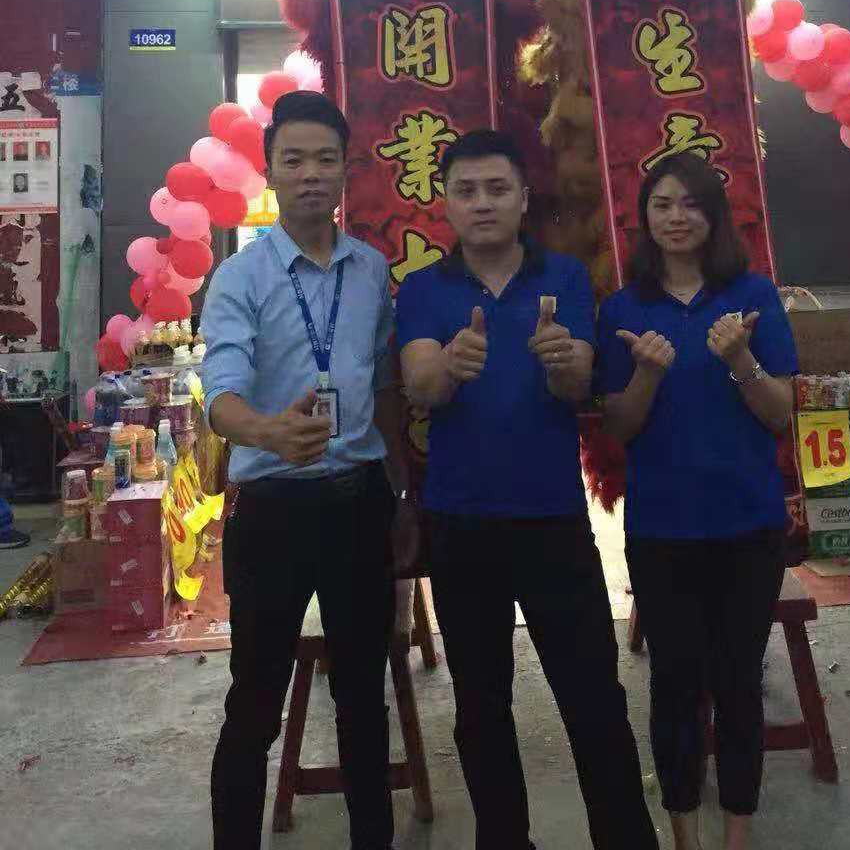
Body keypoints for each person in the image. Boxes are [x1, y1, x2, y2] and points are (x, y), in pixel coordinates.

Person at [397, 129, 658, 850]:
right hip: (460, 525)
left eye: (497, 188)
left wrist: (567, 362)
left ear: (522, 198)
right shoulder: (423, 289)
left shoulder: (564, 278)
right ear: (446, 202)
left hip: (552, 521)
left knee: (594, 698)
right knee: (481, 708)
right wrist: (449, 365)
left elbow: (579, 388)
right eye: (466, 190)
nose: (482, 203)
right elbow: (419, 387)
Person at [202, 90, 416, 850]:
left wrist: (401, 491)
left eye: (326, 159)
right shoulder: (240, 277)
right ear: (269, 171)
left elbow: (384, 387)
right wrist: (269, 432)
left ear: (346, 170)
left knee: (363, 698)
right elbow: (220, 395)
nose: (311, 175)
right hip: (273, 512)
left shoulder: (371, 270)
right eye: (293, 160)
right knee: (255, 702)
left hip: (358, 505)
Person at [596, 152, 797, 850]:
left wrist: (741, 359)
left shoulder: (754, 297)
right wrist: (647, 375)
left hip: (748, 525)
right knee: (675, 685)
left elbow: (780, 415)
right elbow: (619, 428)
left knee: (739, 682)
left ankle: (737, 832)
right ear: (644, 219)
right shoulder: (623, 309)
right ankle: (683, 832)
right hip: (664, 530)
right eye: (662, 204)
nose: (676, 217)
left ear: (714, 216)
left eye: (691, 204)